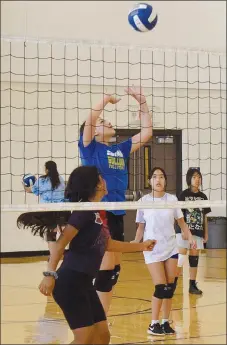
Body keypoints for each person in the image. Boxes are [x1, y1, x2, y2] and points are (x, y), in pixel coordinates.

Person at [33, 165, 156, 345]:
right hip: (70, 283)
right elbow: (60, 244)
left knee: (102, 337)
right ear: (95, 185)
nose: (104, 180)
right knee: (84, 339)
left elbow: (107, 244)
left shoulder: (96, 212)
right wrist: (50, 274)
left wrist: (141, 246)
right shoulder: (83, 211)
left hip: (84, 283)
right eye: (100, 177)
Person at [78, 86, 152, 314]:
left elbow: (147, 132)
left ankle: (101, 318)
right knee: (107, 270)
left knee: (114, 271)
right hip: (100, 212)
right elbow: (90, 119)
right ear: (94, 132)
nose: (108, 123)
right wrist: (105, 100)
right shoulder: (90, 149)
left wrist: (142, 102)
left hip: (118, 212)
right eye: (104, 122)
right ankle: (97, 320)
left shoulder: (120, 149)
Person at [132, 167, 195, 336]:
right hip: (152, 249)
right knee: (160, 286)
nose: (158, 179)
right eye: (154, 177)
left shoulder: (172, 199)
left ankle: (165, 322)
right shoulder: (144, 201)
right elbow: (140, 229)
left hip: (170, 248)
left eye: (161, 176)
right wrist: (135, 244)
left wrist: (190, 238)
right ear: (149, 181)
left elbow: (181, 224)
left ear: (165, 180)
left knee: (169, 287)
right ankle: (153, 324)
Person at [174, 168, 211, 295]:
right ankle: (173, 282)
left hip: (198, 231)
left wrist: (206, 233)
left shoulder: (203, 196)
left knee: (194, 257)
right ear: (189, 179)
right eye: (194, 177)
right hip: (184, 231)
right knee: (181, 257)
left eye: (199, 177)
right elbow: (178, 215)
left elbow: (205, 216)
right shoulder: (183, 195)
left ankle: (192, 284)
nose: (197, 179)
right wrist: (184, 230)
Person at [23, 160, 65, 254]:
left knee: (51, 234)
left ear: (46, 169)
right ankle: (59, 252)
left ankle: (53, 254)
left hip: (48, 210)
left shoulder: (42, 180)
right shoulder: (61, 180)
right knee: (64, 233)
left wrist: (24, 185)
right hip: (61, 210)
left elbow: (31, 190)